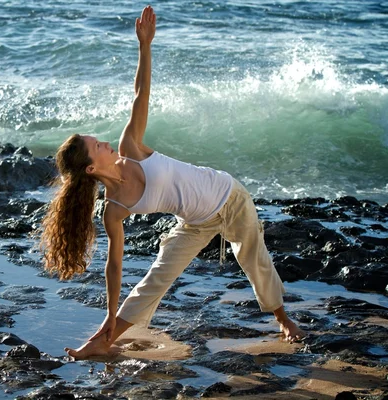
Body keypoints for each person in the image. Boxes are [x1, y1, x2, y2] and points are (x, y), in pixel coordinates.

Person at [40, 5, 305, 360]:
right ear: (90, 169)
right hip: (196, 222)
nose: (104, 142)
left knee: (251, 256)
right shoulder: (114, 209)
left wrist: (145, 45)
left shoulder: (129, 149)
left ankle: (283, 319)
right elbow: (114, 265)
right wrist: (108, 309)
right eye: (96, 145)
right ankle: (102, 339)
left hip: (228, 196)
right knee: (155, 279)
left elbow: (140, 95)